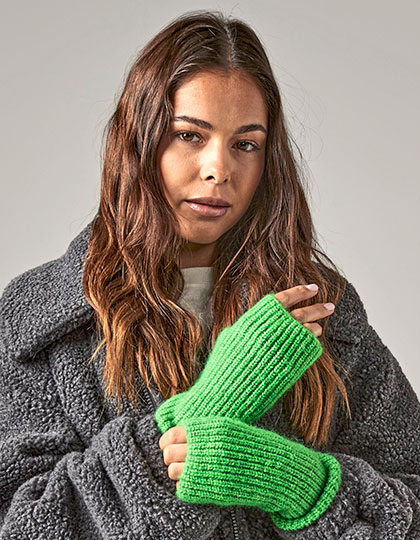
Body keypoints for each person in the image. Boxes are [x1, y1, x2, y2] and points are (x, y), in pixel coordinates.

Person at [0, 9, 419, 540]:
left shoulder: (321, 312)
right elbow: (24, 525)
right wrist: (211, 404)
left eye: (246, 144)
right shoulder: (41, 323)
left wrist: (303, 487)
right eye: (189, 136)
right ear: (139, 141)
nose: (219, 168)